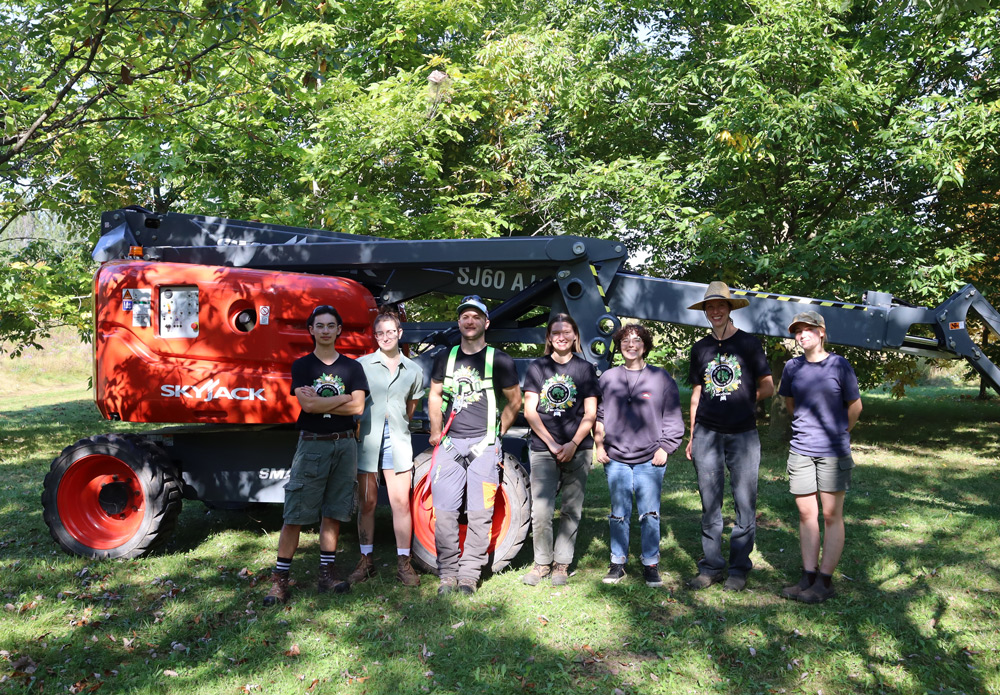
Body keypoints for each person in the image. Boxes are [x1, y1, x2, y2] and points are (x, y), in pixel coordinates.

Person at [264, 305, 369, 605]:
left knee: (334, 512)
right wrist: (345, 397)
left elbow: (358, 408)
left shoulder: (352, 368)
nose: (325, 330)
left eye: (330, 325)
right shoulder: (303, 367)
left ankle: (327, 575)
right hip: (313, 444)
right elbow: (308, 407)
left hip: (346, 444)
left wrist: (337, 401)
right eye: (319, 325)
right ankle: (280, 581)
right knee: (295, 514)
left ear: (339, 330)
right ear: (311, 330)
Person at [427, 295, 522, 595]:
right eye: (465, 316)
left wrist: (496, 435)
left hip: (484, 447)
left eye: (476, 316)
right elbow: (434, 395)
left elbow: (514, 400)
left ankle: (469, 575)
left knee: (481, 513)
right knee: (443, 512)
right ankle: (447, 574)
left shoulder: (500, 360)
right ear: (459, 322)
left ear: (486, 322)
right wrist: (435, 432)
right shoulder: (445, 357)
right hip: (450, 445)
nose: (470, 321)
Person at [685, 282, 774, 592]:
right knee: (710, 504)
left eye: (720, 305)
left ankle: (738, 569)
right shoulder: (700, 349)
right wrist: (692, 435)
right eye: (710, 307)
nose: (715, 311)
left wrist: (746, 402)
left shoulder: (749, 344)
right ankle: (711, 567)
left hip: (743, 434)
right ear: (706, 312)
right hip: (707, 433)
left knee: (744, 503)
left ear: (730, 308)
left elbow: (768, 385)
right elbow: (697, 392)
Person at [778, 311, 862, 603]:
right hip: (801, 449)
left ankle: (825, 582)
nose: (802, 335)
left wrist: (839, 432)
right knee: (805, 514)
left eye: (808, 330)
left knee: (830, 515)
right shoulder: (792, 367)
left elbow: (855, 406)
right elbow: (791, 403)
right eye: (797, 331)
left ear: (822, 332)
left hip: (832, 451)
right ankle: (807, 576)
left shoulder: (839, 365)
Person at [594, 323, 684, 587]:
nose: (630, 345)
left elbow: (673, 417)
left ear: (645, 345)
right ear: (619, 345)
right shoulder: (608, 378)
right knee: (618, 512)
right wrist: (599, 446)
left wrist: (665, 447)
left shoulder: (661, 378)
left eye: (636, 340)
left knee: (650, 513)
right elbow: (598, 416)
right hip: (616, 456)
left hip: (650, 457)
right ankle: (618, 563)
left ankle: (650, 564)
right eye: (625, 340)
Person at [349, 307, 425, 588]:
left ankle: (403, 564)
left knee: (400, 503)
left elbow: (410, 410)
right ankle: (365, 561)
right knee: (367, 502)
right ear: (375, 336)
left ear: (399, 333)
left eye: (390, 331)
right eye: (380, 332)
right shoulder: (361, 366)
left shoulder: (414, 371)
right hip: (368, 440)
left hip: (397, 442)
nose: (385, 336)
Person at [521, 314, 599, 586]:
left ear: (575, 336)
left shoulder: (585, 369)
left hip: (578, 448)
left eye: (567, 332)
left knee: (571, 508)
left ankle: (561, 565)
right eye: (556, 332)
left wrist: (573, 443)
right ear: (549, 338)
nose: (561, 336)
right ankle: (541, 563)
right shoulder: (538, 367)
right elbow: (530, 412)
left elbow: (590, 413)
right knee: (541, 510)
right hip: (544, 447)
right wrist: (553, 444)